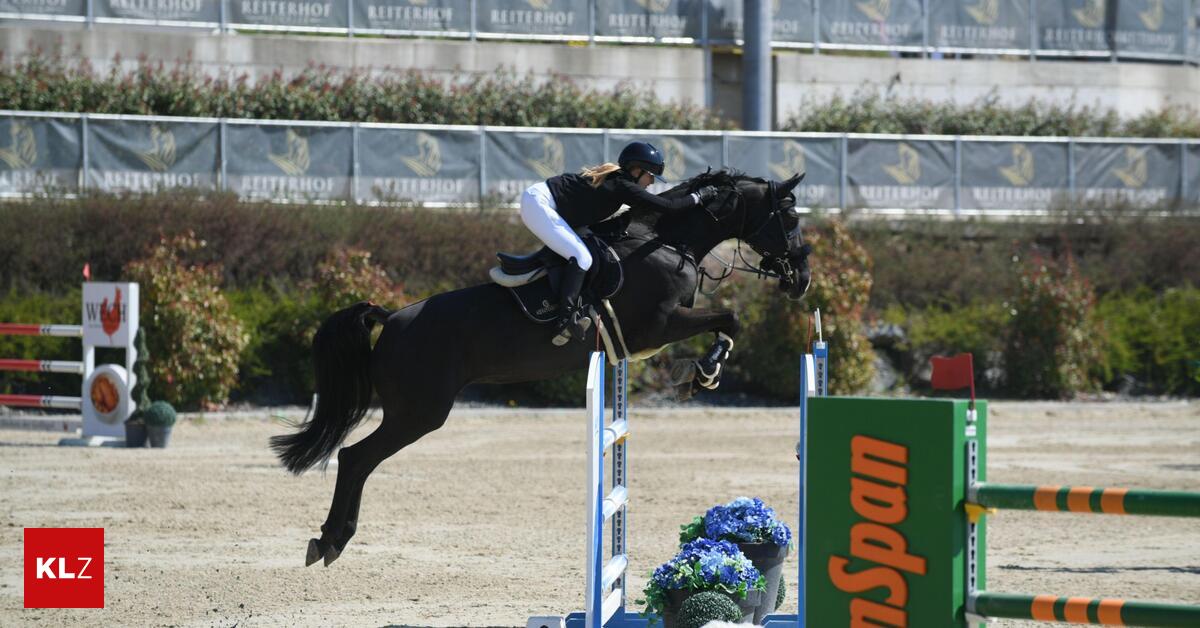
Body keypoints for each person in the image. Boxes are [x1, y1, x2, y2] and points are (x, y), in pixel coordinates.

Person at [520, 141, 719, 346]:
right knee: (582, 257)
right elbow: (667, 207)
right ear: (637, 170)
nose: (651, 182)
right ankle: (566, 319)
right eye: (650, 175)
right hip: (539, 205)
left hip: (547, 204)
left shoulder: (618, 181)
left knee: (589, 246)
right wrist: (698, 197)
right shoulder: (622, 185)